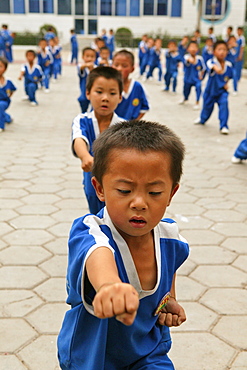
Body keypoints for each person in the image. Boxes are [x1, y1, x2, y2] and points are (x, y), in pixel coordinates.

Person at [57, 119, 189, 370]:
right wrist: (109, 286)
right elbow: (99, 255)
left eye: (154, 193)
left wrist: (169, 298)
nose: (139, 202)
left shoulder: (170, 237)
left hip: (148, 352)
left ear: (171, 193)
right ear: (100, 189)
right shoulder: (90, 230)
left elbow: (170, 266)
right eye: (125, 190)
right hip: (92, 356)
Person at [72, 66, 123, 214]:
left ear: (120, 97)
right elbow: (79, 139)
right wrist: (85, 156)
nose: (105, 98)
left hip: (119, 179)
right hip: (93, 177)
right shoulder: (82, 120)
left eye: (112, 93)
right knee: (97, 215)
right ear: (88, 93)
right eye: (99, 92)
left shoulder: (124, 125)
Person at [194, 40, 233, 135]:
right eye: (219, 49)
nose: (222, 52)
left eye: (224, 50)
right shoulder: (210, 62)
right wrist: (215, 68)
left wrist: (226, 83)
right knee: (207, 108)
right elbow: (210, 66)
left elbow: (228, 76)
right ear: (214, 52)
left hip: (221, 92)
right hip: (210, 92)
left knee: (224, 104)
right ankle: (202, 119)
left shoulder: (228, 65)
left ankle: (224, 126)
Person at [112, 49, 150, 120]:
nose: (119, 69)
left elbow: (144, 107)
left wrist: (133, 124)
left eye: (124, 66)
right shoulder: (107, 86)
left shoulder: (137, 87)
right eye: (116, 65)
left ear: (132, 69)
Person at [179, 41, 206, 109]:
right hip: (187, 79)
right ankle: (185, 98)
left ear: (198, 49)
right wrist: (190, 60)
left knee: (198, 87)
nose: (193, 49)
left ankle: (197, 102)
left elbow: (204, 69)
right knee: (186, 90)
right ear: (188, 49)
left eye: (195, 47)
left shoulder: (200, 58)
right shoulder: (186, 57)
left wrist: (202, 77)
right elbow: (187, 61)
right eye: (191, 47)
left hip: (196, 79)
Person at [77, 47, 96, 113]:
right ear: (83, 57)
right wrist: (87, 65)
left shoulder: (96, 67)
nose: (90, 58)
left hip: (95, 89)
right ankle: (84, 112)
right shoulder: (81, 66)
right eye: (87, 56)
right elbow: (81, 69)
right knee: (82, 100)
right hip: (84, 89)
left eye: (92, 56)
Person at [0, 56, 16, 132]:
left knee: (0, 106)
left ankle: (1, 126)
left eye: (0, 66)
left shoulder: (8, 81)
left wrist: (8, 97)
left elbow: (13, 90)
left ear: (5, 69)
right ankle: (7, 117)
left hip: (4, 101)